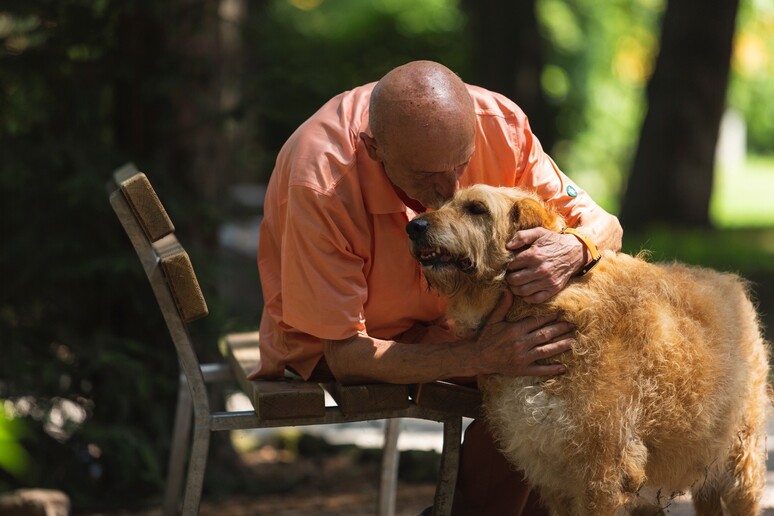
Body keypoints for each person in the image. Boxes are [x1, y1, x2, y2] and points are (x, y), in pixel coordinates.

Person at [248, 60, 623, 514]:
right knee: (531, 375)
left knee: (569, 365)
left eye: (462, 164)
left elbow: (604, 225)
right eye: (426, 177)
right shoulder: (320, 182)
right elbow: (344, 355)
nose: (449, 191)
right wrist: (481, 355)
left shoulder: (499, 125)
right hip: (350, 345)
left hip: (459, 325)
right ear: (374, 147)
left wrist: (576, 249)